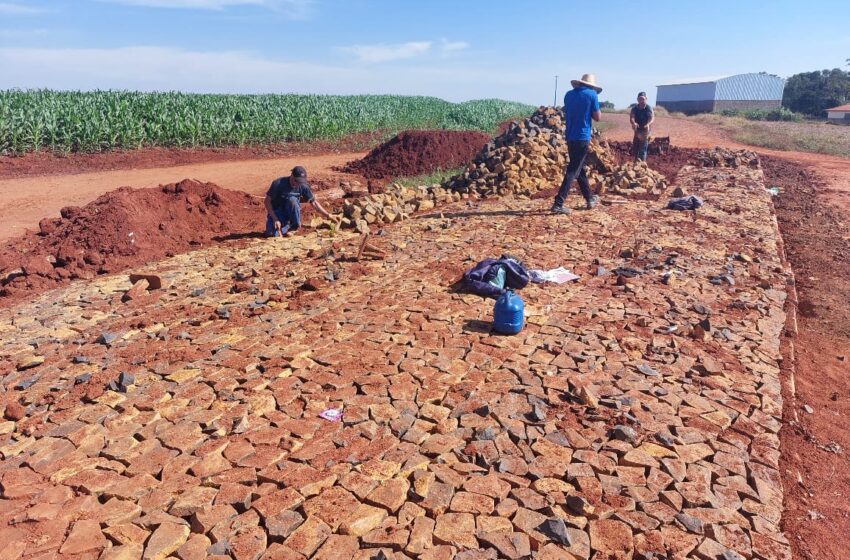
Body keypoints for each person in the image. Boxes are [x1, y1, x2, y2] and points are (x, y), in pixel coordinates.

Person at [552, 73, 602, 215]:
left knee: (579, 168)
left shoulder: (568, 95)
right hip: (582, 136)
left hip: (570, 136)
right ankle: (558, 203)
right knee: (573, 170)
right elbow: (598, 117)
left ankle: (589, 198)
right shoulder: (592, 96)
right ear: (591, 86)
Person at [264, 166, 331, 237]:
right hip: (278, 211)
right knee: (271, 234)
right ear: (291, 175)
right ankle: (286, 226)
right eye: (295, 180)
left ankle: (294, 226)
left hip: (291, 211)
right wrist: (275, 219)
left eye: (299, 182)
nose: (296, 183)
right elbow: (267, 201)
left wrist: (328, 215)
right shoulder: (278, 183)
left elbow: (314, 202)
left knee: (292, 200)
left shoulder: (303, 186)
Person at [630, 92, 655, 162]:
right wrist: (633, 123)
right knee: (635, 148)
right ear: (637, 100)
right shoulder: (634, 108)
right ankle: (635, 162)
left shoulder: (648, 108)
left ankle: (642, 165)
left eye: (643, 99)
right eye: (640, 99)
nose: (641, 101)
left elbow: (651, 118)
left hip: (646, 130)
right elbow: (632, 117)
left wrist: (648, 124)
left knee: (642, 149)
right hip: (637, 130)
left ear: (646, 99)